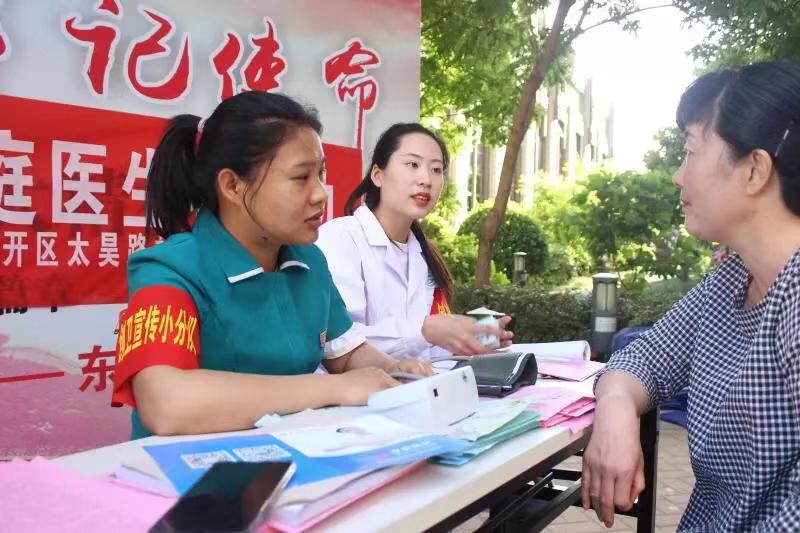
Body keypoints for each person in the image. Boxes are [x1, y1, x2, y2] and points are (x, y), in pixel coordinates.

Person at [111, 92, 433, 439]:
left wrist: (393, 370)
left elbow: (343, 351)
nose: (321, 193)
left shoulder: (309, 261)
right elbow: (166, 404)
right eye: (301, 177)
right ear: (232, 186)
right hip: (187, 470)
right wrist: (334, 388)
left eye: (321, 174)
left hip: (294, 457)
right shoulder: (169, 270)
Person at [582, 61, 800, 531]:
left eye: (691, 151)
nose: (678, 176)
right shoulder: (731, 280)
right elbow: (647, 356)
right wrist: (615, 405)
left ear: (754, 170)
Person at [316, 123, 512, 361]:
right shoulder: (339, 238)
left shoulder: (424, 253)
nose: (426, 179)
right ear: (378, 175)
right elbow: (338, 342)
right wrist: (428, 330)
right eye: (413, 165)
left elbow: (426, 347)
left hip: (424, 383)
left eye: (436, 169)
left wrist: (471, 337)